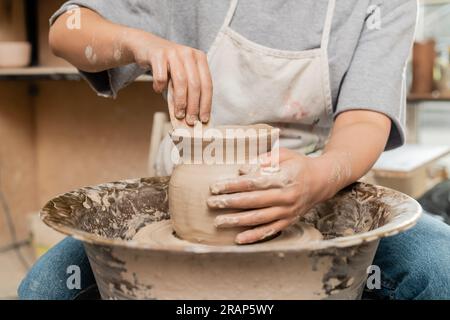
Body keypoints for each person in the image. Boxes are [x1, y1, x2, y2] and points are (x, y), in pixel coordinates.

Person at [19, 0, 450, 299]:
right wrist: (140, 43)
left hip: (328, 196)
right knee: (47, 285)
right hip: (190, 204)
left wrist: (319, 177)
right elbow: (68, 28)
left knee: (440, 268)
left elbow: (363, 119)